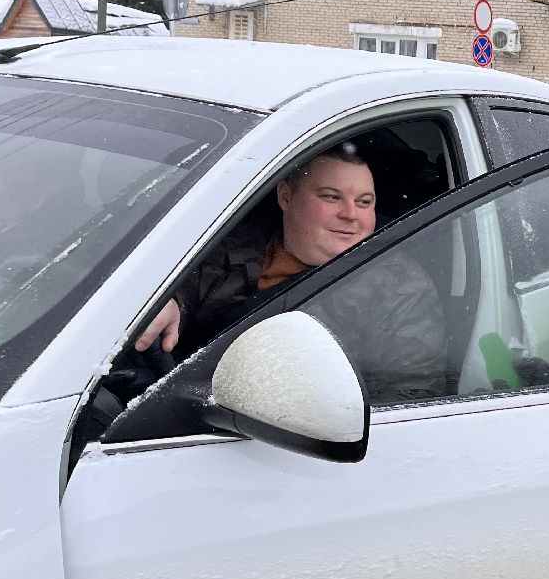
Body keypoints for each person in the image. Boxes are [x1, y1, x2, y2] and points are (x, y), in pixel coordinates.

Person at [136, 145, 447, 403]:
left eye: (364, 202)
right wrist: (173, 300)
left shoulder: (398, 288)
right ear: (285, 197)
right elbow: (186, 284)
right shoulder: (230, 244)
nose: (351, 214)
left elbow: (410, 397)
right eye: (331, 197)